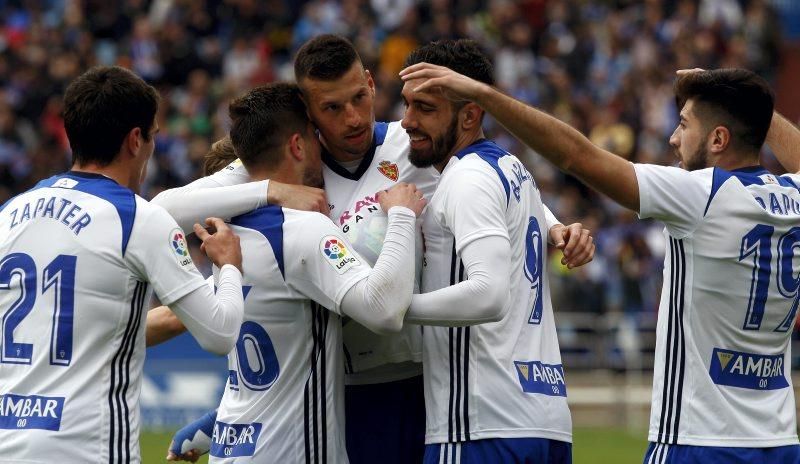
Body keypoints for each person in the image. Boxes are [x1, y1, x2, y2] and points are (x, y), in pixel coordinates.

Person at [158, 35, 593, 464]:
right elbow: (166, 209)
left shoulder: (410, 143)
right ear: (307, 117)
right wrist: (273, 190)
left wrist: (554, 228)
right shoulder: (292, 165)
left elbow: (489, 182)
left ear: (369, 83)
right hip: (351, 393)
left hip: (431, 385)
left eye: (358, 98)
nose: (353, 118)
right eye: (331, 108)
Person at [400, 60, 800, 463]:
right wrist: (745, 103)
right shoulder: (794, 196)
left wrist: (485, 95)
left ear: (717, 139)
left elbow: (577, 156)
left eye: (684, 124)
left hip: (698, 440)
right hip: (780, 441)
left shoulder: (700, 194)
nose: (674, 139)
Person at [0, 66, 245, 463]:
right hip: (84, 450)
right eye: (153, 136)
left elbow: (93, 327)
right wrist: (230, 266)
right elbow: (220, 333)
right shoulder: (137, 217)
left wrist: (185, 309)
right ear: (136, 140)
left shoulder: (10, 213)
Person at [390, 38, 590, 464]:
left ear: (469, 114)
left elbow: (488, 293)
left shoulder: (467, 179)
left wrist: (395, 307)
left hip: (481, 427)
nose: (407, 121)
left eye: (425, 108)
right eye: (406, 105)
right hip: (545, 420)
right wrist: (557, 229)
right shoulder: (512, 169)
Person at [205, 82, 425, 463]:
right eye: (313, 135)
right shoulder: (304, 228)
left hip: (235, 444)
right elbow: (385, 310)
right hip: (290, 452)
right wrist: (402, 216)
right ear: (297, 145)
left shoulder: (229, 233)